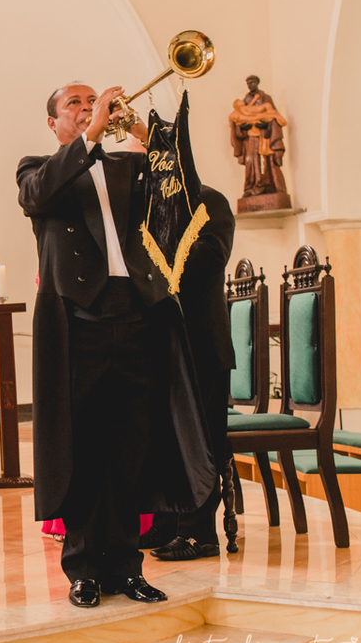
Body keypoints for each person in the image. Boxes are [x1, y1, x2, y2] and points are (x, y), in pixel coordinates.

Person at [17, 83, 214, 610]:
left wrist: (152, 141)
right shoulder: (37, 167)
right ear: (54, 123)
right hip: (76, 321)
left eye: (91, 102)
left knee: (133, 446)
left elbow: (185, 197)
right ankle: (82, 569)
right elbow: (38, 195)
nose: (86, 110)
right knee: (82, 448)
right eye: (74, 106)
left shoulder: (132, 167)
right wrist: (94, 133)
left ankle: (127, 566)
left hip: (137, 315)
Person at [147, 185, 236, 560]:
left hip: (202, 343)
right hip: (162, 344)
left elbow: (209, 257)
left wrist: (158, 250)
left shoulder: (210, 202)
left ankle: (201, 533)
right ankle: (169, 522)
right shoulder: (151, 204)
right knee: (165, 439)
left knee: (202, 440)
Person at [230, 75, 288, 197]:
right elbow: (237, 121)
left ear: (257, 83)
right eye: (248, 83)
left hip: (264, 137)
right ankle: (251, 187)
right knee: (251, 162)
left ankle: (270, 186)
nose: (251, 85)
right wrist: (242, 128)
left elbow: (273, 115)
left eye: (253, 82)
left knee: (267, 161)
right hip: (250, 138)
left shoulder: (266, 98)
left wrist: (267, 125)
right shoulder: (244, 102)